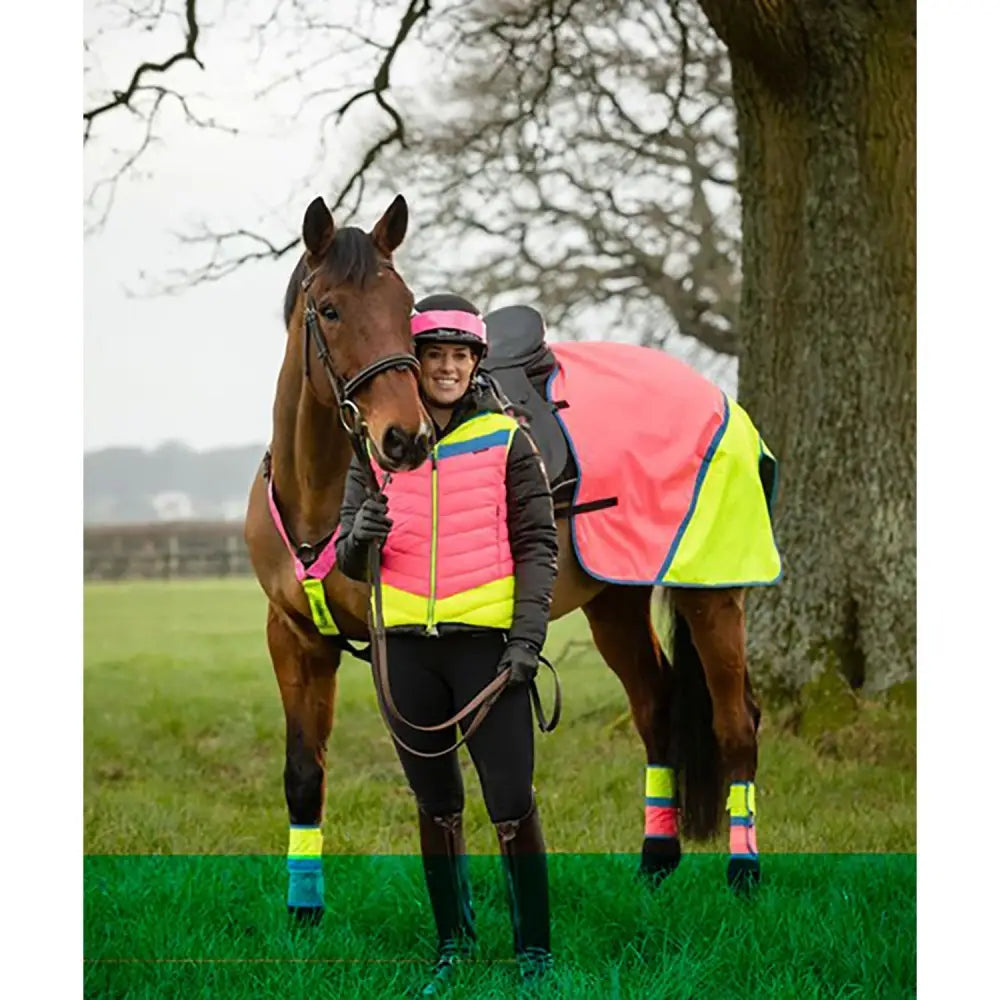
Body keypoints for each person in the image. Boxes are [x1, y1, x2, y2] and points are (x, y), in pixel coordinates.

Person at [335, 293, 559, 995]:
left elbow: (539, 545)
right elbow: (345, 555)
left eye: (461, 357)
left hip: (487, 652)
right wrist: (360, 539)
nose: (448, 368)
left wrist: (526, 639)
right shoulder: (376, 450)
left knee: (511, 802)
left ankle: (534, 954)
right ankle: (452, 945)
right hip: (405, 651)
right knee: (435, 805)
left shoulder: (506, 440)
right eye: (436, 355)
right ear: (415, 361)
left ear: (476, 364)